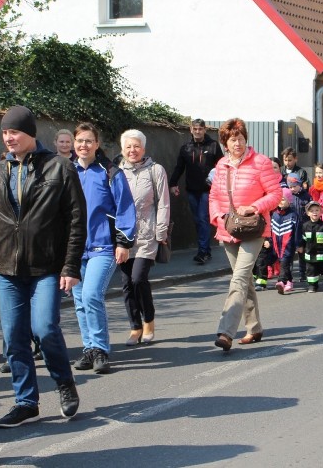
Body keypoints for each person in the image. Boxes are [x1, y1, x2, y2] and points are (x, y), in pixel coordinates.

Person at [0, 105, 85, 428]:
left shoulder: (59, 168)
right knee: (14, 336)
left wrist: (70, 267)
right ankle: (26, 401)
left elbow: (75, 220)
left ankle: (64, 383)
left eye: (14, 131)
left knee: (44, 328)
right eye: (4, 132)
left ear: (30, 133)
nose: (8, 137)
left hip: (47, 267)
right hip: (7, 270)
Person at [208, 118, 281, 350]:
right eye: (232, 139)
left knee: (238, 278)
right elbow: (213, 197)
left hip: (254, 228)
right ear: (225, 143)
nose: (237, 143)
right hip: (228, 228)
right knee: (246, 281)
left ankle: (226, 331)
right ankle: (254, 327)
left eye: (240, 138)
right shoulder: (221, 165)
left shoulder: (261, 163)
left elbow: (276, 193)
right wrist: (218, 217)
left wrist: (254, 207)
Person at [71, 123, 136, 373]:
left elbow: (125, 209)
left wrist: (123, 242)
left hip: (103, 247)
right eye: (80, 140)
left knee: (91, 295)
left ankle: (100, 349)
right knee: (78, 301)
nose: (83, 145)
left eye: (88, 141)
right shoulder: (68, 171)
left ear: (97, 144)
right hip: (75, 249)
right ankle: (88, 348)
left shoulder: (110, 172)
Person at [118, 129, 170, 346]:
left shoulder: (156, 170)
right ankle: (134, 327)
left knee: (139, 278)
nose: (133, 150)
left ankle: (148, 321)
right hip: (123, 237)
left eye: (136, 146)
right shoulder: (116, 172)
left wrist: (161, 232)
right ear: (122, 149)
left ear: (144, 148)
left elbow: (163, 203)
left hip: (147, 234)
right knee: (127, 284)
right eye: (128, 146)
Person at [169, 118, 224, 265]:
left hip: (208, 190)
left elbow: (222, 166)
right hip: (192, 190)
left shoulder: (213, 146)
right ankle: (205, 249)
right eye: (195, 129)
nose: (198, 132)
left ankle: (203, 251)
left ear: (205, 130)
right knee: (198, 220)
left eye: (200, 129)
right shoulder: (186, 148)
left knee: (202, 218)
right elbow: (179, 167)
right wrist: (173, 183)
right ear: (191, 130)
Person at [298, 201, 323, 292]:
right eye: (312, 210)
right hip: (309, 254)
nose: (315, 212)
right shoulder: (305, 226)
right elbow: (302, 238)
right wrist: (300, 246)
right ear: (308, 213)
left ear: (321, 212)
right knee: (311, 271)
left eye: (317, 210)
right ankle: (313, 286)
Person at [270, 188, 298, 294]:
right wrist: (268, 241)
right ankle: (289, 281)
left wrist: (298, 244)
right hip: (277, 245)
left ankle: (281, 281)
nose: (280, 202)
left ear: (289, 201)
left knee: (284, 262)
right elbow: (270, 229)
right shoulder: (274, 214)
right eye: (278, 199)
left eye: (283, 199)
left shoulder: (293, 215)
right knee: (283, 262)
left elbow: (297, 231)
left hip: (289, 245)